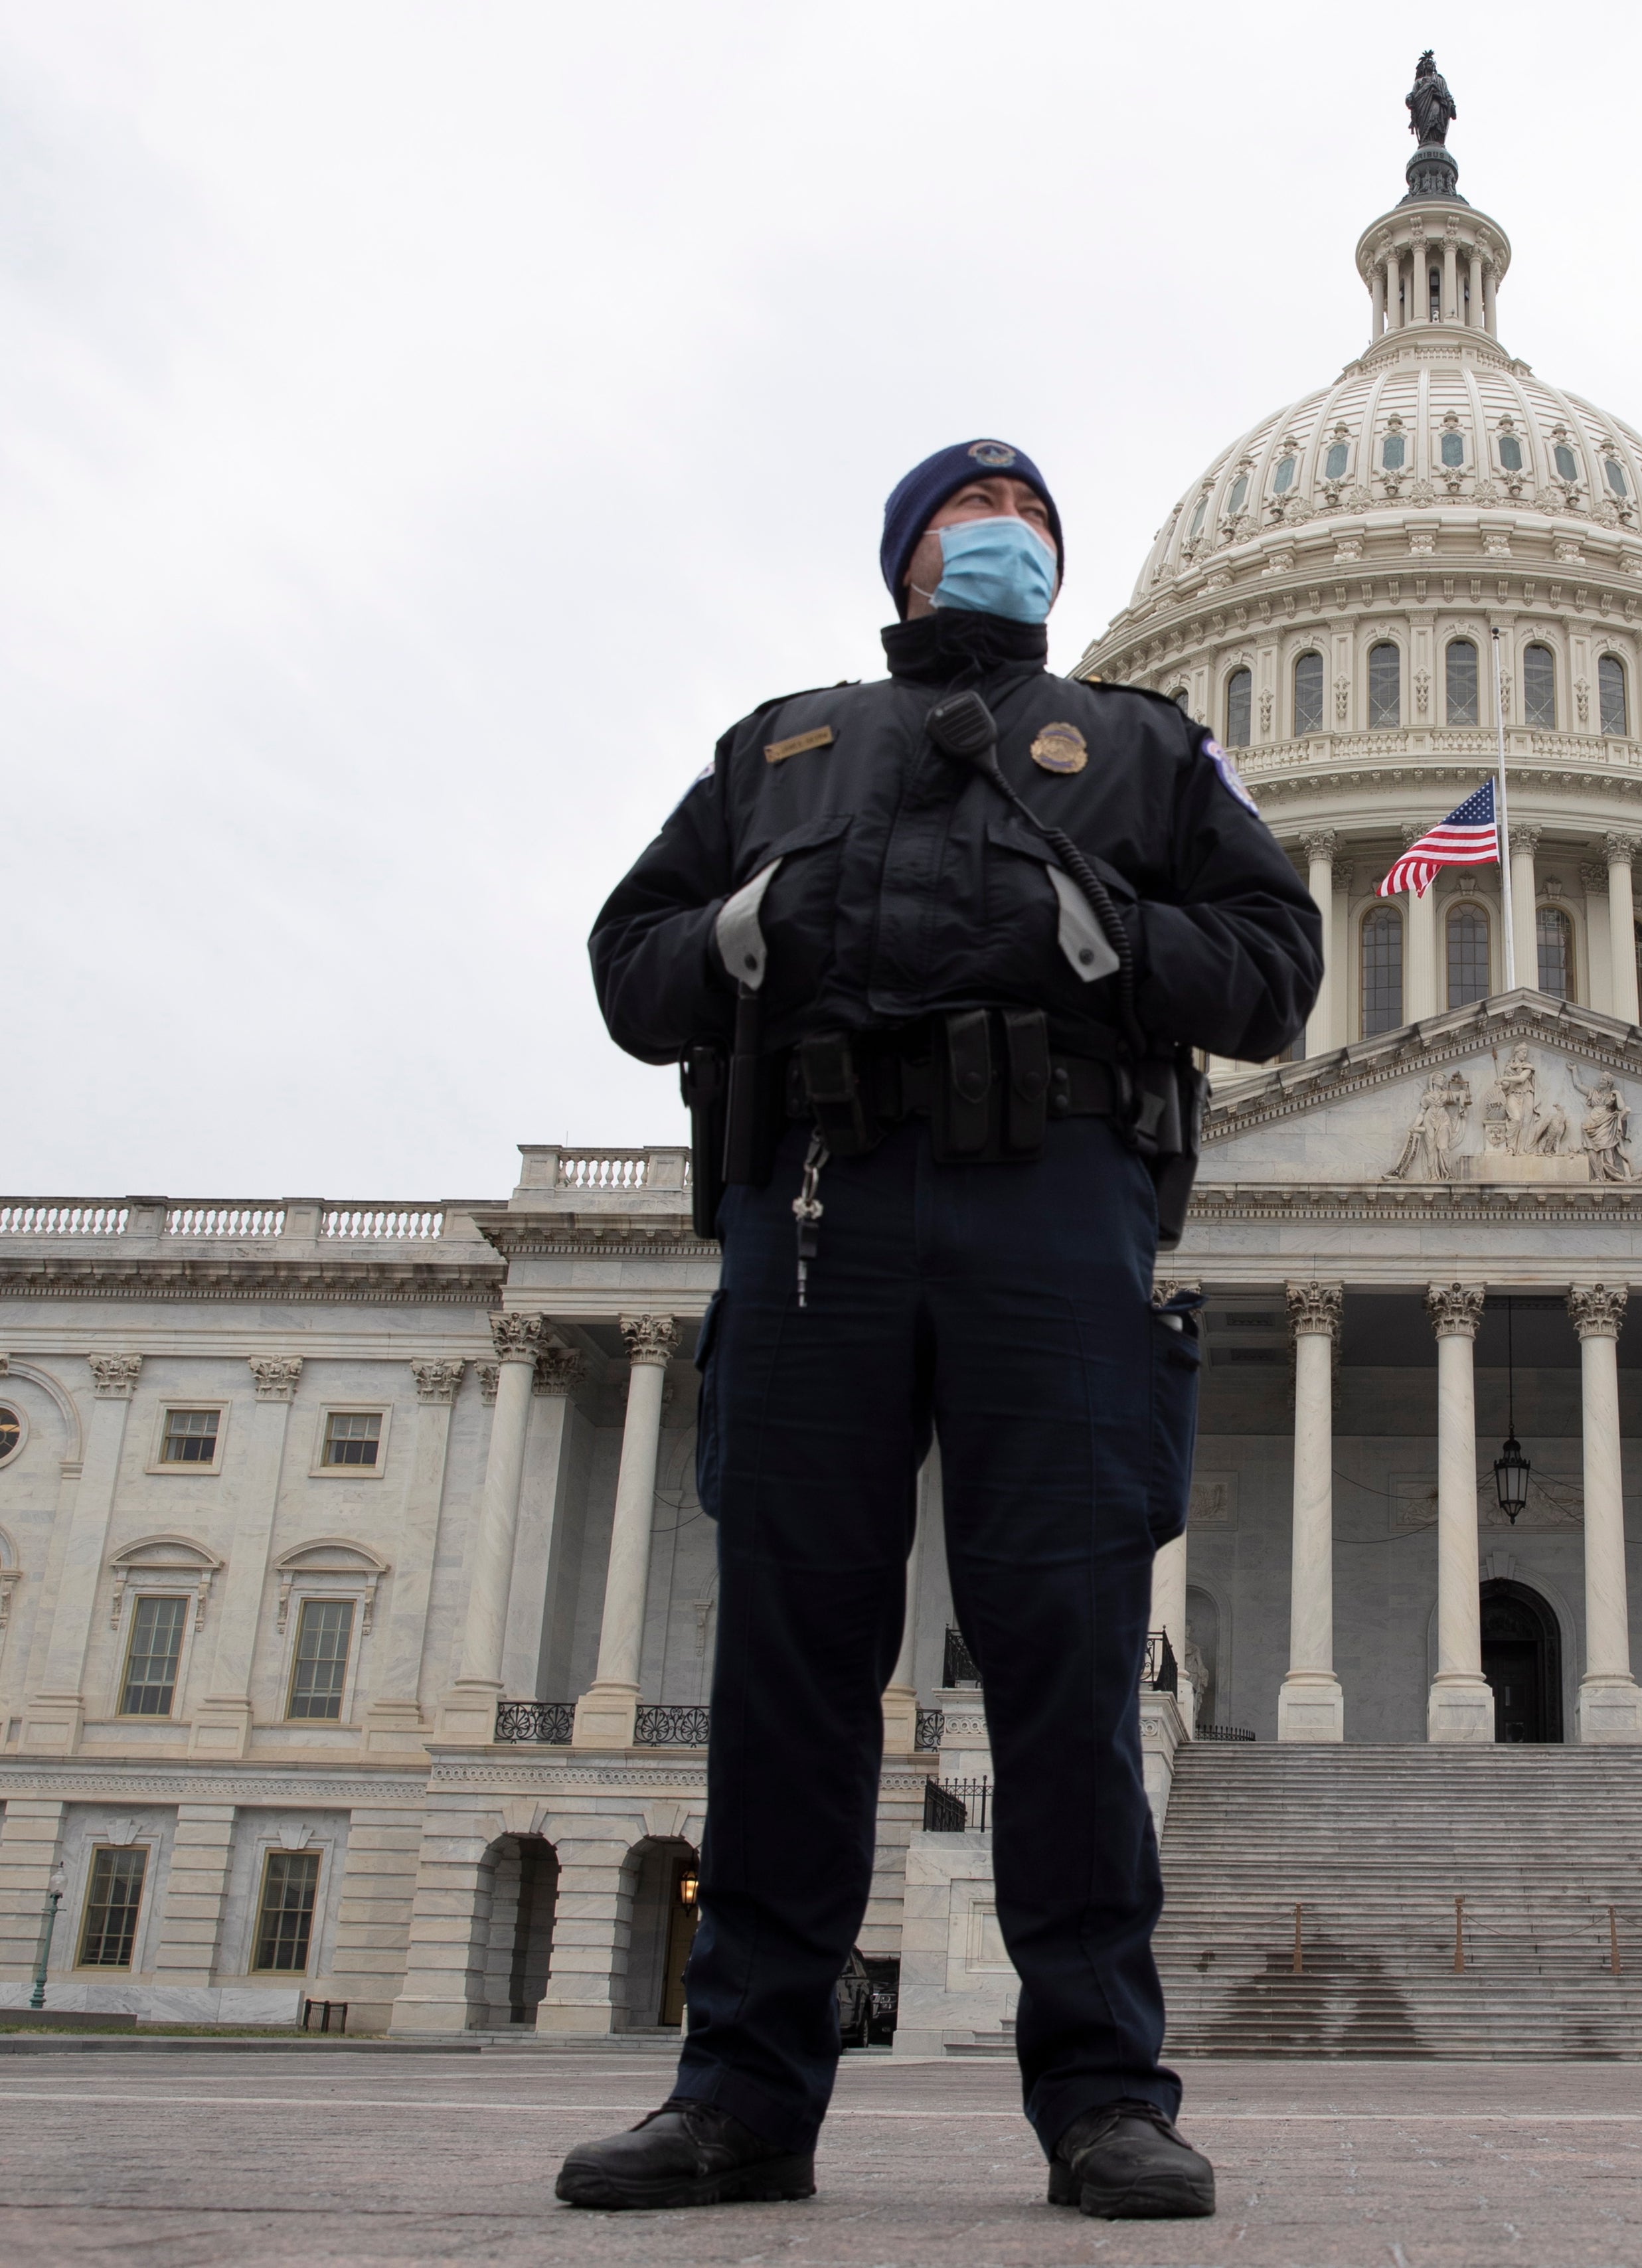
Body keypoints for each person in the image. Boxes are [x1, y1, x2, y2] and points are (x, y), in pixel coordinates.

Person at [558, 438, 1320, 2220]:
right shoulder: (783, 748)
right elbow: (629, 961)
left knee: (1062, 1656)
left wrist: (1117, 934)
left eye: (1034, 527)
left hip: (1051, 1203)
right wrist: (746, 927)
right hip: (816, 1194)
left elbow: (1277, 969)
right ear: (909, 559)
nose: (1007, 546)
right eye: (976, 525)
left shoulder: (1138, 748)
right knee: (791, 1663)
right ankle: (743, 2092)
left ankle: (1104, 2097)